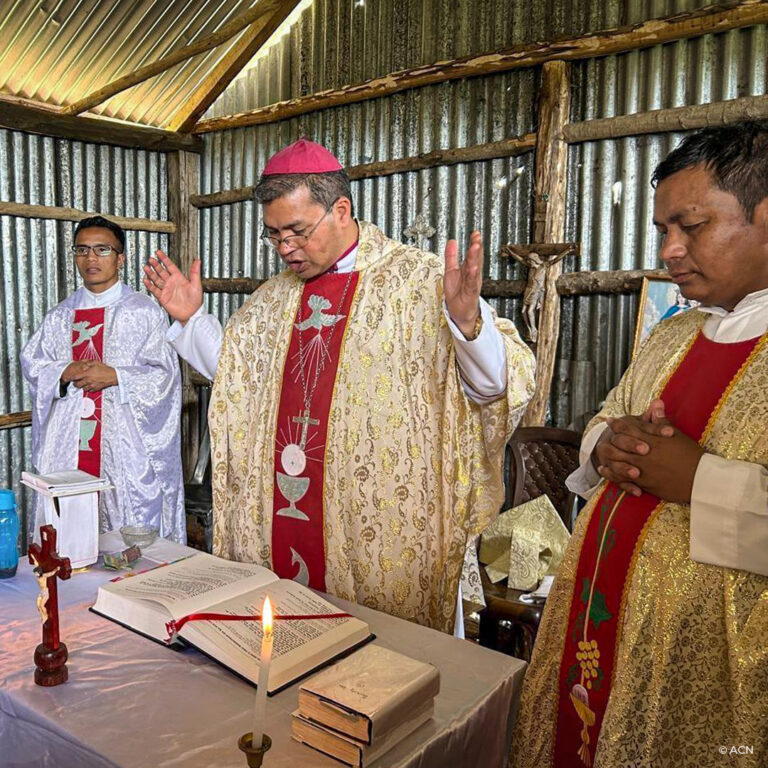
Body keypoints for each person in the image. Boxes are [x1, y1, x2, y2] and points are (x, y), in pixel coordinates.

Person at [144, 138, 535, 632]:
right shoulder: (272, 300)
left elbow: (495, 391)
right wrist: (192, 319)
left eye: (297, 232)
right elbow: (244, 383)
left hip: (382, 533)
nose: (286, 248)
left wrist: (468, 327)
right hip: (288, 522)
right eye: (273, 236)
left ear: (341, 209)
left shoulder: (421, 281)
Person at [511, 121, 768, 768]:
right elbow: (606, 417)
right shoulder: (673, 334)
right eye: (662, 231)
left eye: (693, 226)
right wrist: (604, 447)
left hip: (714, 668)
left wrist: (699, 481)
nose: (670, 252)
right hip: (603, 630)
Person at [21, 216, 185, 543]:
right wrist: (63, 371)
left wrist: (116, 376)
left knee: (128, 536)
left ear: (120, 258)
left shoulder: (143, 312)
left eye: (102, 250)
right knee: (68, 536)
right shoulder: (59, 316)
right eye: (82, 250)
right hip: (69, 445)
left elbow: (165, 377)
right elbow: (34, 365)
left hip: (123, 446)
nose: (91, 258)